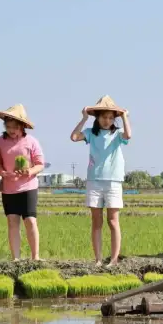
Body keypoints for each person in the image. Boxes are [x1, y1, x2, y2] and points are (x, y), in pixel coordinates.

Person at [70, 96, 132, 267]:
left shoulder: (118, 134)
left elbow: (129, 135)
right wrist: (83, 118)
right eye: (104, 117)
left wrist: (125, 116)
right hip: (94, 181)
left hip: (113, 181)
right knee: (96, 221)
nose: (107, 120)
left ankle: (113, 259)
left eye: (111, 117)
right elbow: (74, 137)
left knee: (113, 220)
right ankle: (98, 259)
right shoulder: (91, 133)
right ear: (97, 117)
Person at [0, 104, 45, 261]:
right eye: (8, 127)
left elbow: (40, 164)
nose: (11, 130)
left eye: (15, 127)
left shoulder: (31, 141)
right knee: (12, 221)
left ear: (23, 126)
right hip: (9, 188)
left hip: (28, 187)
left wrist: (29, 171)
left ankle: (35, 256)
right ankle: (15, 258)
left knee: (30, 220)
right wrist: (2, 172)